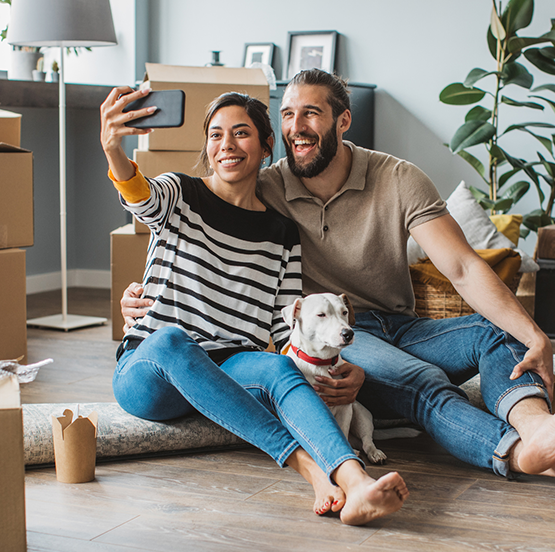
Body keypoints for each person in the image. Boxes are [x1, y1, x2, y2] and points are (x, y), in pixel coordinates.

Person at [121, 69, 555, 481]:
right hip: (343, 333)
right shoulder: (264, 184)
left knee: (496, 332)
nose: (297, 127)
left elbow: (462, 267)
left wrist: (536, 336)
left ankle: (538, 429)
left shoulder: (398, 177)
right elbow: (197, 204)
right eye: (288, 114)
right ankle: (513, 452)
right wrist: (150, 298)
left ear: (343, 119)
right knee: (423, 381)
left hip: (404, 324)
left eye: (312, 112)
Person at [100, 86, 409, 526]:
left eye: (241, 133)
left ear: (267, 146)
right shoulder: (179, 195)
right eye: (215, 134)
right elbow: (140, 197)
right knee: (172, 341)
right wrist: (113, 149)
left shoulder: (281, 233)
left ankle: (356, 483)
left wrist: (338, 369)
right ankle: (312, 470)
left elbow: (289, 333)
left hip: (229, 367)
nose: (226, 144)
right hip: (152, 372)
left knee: (279, 367)